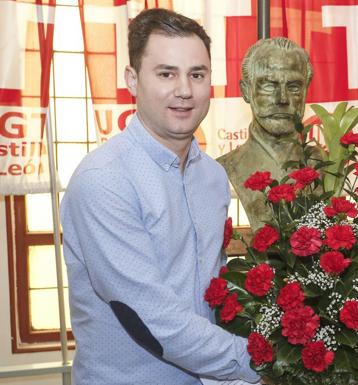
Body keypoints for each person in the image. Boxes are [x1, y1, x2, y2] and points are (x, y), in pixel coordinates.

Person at [61, 9, 259, 385]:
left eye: (197, 74)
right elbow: (153, 320)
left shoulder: (213, 176)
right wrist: (264, 363)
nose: (184, 90)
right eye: (166, 73)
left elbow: (212, 293)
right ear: (132, 80)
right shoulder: (104, 181)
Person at [217, 37, 313, 230]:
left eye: (294, 87)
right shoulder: (220, 170)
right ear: (246, 91)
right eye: (269, 86)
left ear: (305, 92)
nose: (282, 99)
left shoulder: (327, 167)